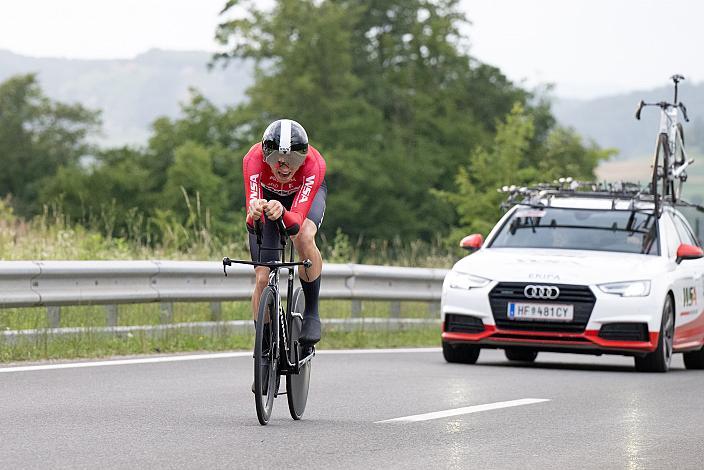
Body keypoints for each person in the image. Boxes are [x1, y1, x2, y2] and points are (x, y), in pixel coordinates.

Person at [242, 118, 327, 350]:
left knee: (304, 236)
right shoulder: (252, 159)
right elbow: (252, 223)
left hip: (302, 200)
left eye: (293, 160)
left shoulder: (314, 165)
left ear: (303, 157)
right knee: (262, 277)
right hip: (268, 200)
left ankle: (311, 312)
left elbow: (296, 223)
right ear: (265, 155)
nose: (285, 168)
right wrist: (255, 212)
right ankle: (265, 349)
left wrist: (283, 212)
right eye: (278, 161)